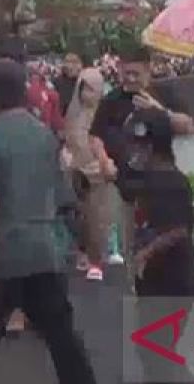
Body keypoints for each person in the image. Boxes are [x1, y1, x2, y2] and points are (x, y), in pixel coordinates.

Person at [0, 59, 97, 384]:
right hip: (46, 254)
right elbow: (62, 196)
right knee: (64, 343)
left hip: (3, 256)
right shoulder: (44, 135)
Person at [92, 46, 194, 262]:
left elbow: (188, 127)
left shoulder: (164, 94)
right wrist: (103, 159)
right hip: (125, 183)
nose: (130, 79)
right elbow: (96, 135)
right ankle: (134, 281)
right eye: (125, 73)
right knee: (130, 244)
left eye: (135, 74)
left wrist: (158, 110)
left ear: (148, 71)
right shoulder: (113, 100)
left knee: (161, 244)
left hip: (159, 184)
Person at [120, 110, 194, 384]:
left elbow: (179, 229)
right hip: (156, 283)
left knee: (156, 351)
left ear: (150, 145)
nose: (132, 150)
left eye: (136, 144)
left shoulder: (170, 181)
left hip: (173, 284)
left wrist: (145, 253)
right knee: (153, 350)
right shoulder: (150, 178)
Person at [63, 67, 117, 281]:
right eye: (83, 89)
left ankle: (99, 259)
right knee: (80, 215)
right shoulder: (74, 114)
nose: (87, 94)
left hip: (99, 172)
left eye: (92, 89)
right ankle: (83, 253)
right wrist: (67, 155)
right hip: (77, 171)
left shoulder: (106, 114)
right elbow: (68, 139)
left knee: (99, 216)